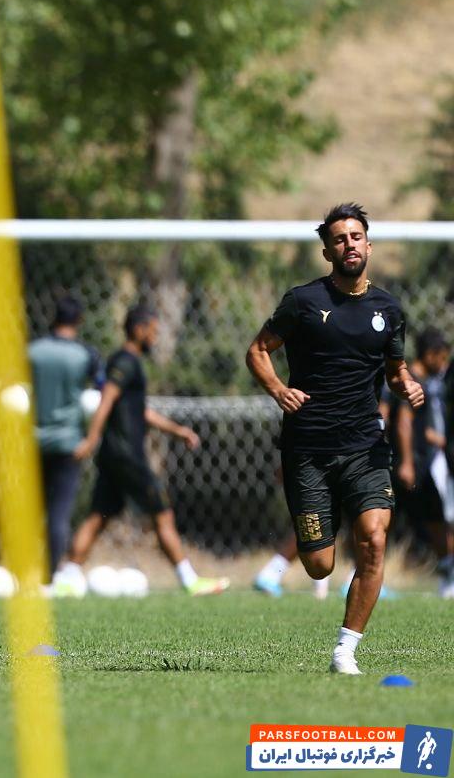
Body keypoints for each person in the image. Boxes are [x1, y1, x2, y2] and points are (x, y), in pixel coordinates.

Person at [245, 203, 424, 674]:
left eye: (356, 236)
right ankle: (325, 532)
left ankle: (345, 650)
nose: (349, 245)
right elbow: (258, 350)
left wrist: (407, 383)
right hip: (308, 450)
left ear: (369, 245)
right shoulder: (303, 302)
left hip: (366, 448)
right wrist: (278, 389)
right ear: (327, 251)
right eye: (340, 239)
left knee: (374, 541)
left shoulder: (388, 309)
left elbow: (394, 369)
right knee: (319, 565)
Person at [52, 303, 229, 597]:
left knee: (97, 516)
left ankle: (65, 578)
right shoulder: (125, 362)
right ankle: (189, 580)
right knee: (162, 513)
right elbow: (106, 400)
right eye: (153, 331)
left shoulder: (127, 362)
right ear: (138, 329)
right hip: (127, 455)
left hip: (115, 455)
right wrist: (91, 439)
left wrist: (177, 430)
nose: (155, 337)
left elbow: (139, 411)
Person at [28, 295, 101, 576]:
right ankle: (49, 575)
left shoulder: (33, 351)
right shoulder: (86, 355)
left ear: (53, 317)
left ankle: (24, 570)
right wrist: (91, 439)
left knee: (30, 511)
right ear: (79, 320)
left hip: (33, 442)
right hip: (70, 444)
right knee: (58, 514)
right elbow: (103, 396)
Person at [389, 328, 454, 596]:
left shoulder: (425, 382)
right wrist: (406, 462)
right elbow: (404, 422)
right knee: (388, 520)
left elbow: (418, 425)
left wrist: (438, 438)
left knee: (435, 519)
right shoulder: (412, 381)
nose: (444, 364)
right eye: (442, 357)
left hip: (421, 464)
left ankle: (447, 576)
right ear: (430, 355)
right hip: (411, 465)